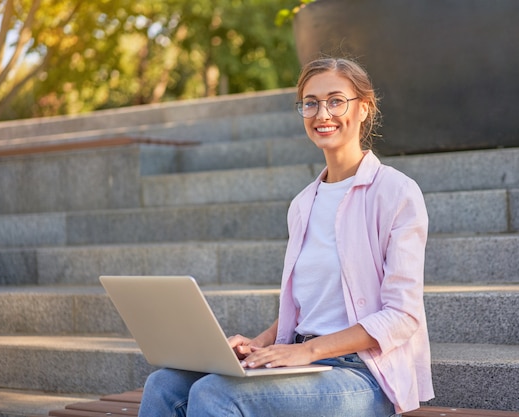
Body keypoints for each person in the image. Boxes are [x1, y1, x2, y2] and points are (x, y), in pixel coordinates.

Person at [138, 57, 434, 417]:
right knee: (165, 385)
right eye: (310, 103)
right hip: (301, 361)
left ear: (364, 109)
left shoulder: (396, 192)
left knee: (217, 395)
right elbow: (309, 304)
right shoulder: (303, 204)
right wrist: (259, 344)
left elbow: (402, 316)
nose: (322, 113)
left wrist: (307, 351)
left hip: (364, 374)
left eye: (336, 100)